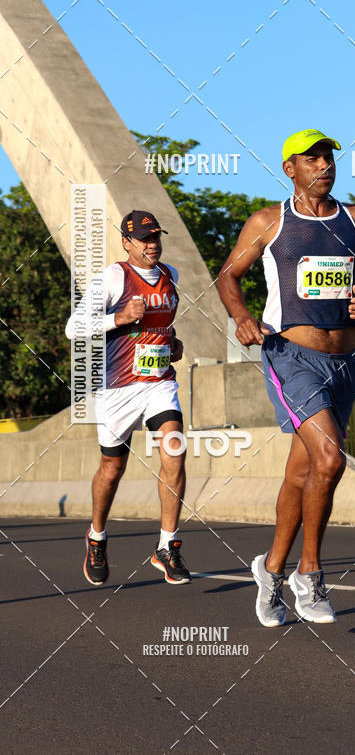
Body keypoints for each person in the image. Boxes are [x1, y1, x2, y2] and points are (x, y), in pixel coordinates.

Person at [217, 129, 355, 625]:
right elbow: (228, 275)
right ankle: (309, 574)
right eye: (312, 158)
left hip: (346, 363)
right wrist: (241, 317)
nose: (324, 165)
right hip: (290, 357)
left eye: (329, 157)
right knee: (330, 459)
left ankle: (271, 569)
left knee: (302, 471)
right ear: (290, 168)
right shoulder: (269, 222)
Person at [65, 210, 191, 586]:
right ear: (126, 242)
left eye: (156, 237)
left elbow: (161, 325)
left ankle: (167, 546)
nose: (152, 244)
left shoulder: (171, 275)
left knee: (175, 449)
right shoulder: (113, 277)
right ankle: (97, 536)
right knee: (112, 469)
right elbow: (74, 327)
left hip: (159, 383)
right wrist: (117, 318)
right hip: (118, 388)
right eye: (144, 239)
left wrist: (172, 342)